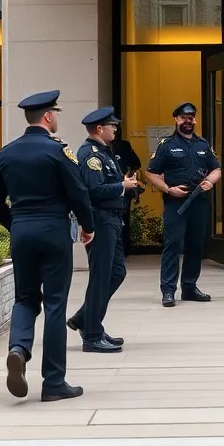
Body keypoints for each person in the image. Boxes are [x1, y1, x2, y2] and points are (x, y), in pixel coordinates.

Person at [0, 90, 94, 403]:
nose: (57, 117)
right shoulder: (59, 151)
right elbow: (78, 193)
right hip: (53, 231)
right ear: (47, 116)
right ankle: (54, 382)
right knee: (56, 305)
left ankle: (19, 349)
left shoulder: (6, 153)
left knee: (25, 298)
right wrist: (88, 226)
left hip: (22, 231)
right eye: (56, 113)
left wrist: (16, 224)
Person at [67, 107, 139, 353]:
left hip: (112, 220)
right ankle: (92, 335)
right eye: (112, 126)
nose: (115, 129)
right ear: (99, 128)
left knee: (116, 272)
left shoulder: (106, 152)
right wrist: (122, 185)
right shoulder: (91, 155)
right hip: (101, 220)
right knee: (101, 277)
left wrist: (126, 186)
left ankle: (85, 319)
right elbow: (94, 190)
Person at [145, 102, 221, 307]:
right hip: (175, 204)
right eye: (184, 118)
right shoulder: (166, 145)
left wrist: (210, 181)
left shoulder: (203, 144)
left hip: (199, 202)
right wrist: (169, 189)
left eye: (191, 118)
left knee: (195, 246)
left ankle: (189, 287)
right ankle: (168, 290)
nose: (188, 121)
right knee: (173, 245)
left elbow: (216, 169)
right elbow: (151, 173)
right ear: (176, 119)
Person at [111, 126, 142, 256]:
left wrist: (129, 176)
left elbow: (136, 163)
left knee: (123, 219)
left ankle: (123, 249)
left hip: (124, 188)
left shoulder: (123, 146)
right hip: (109, 188)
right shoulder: (99, 148)